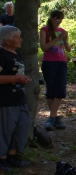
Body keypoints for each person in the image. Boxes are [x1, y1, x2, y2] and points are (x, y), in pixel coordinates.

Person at [0, 26, 31, 171]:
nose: (20, 39)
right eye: (17, 37)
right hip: (6, 100)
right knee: (5, 130)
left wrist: (23, 79)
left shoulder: (16, 53)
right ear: (6, 40)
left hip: (19, 98)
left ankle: (12, 156)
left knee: (22, 126)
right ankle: (2, 159)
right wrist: (15, 78)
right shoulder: (2, 54)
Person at [40, 10, 71, 131]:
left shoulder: (62, 31)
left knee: (60, 89)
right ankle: (55, 118)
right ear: (52, 18)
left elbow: (67, 49)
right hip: (49, 62)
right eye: (57, 19)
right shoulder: (44, 30)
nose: (59, 21)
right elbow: (44, 47)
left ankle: (52, 117)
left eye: (61, 19)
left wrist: (65, 39)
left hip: (61, 62)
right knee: (51, 88)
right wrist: (57, 38)